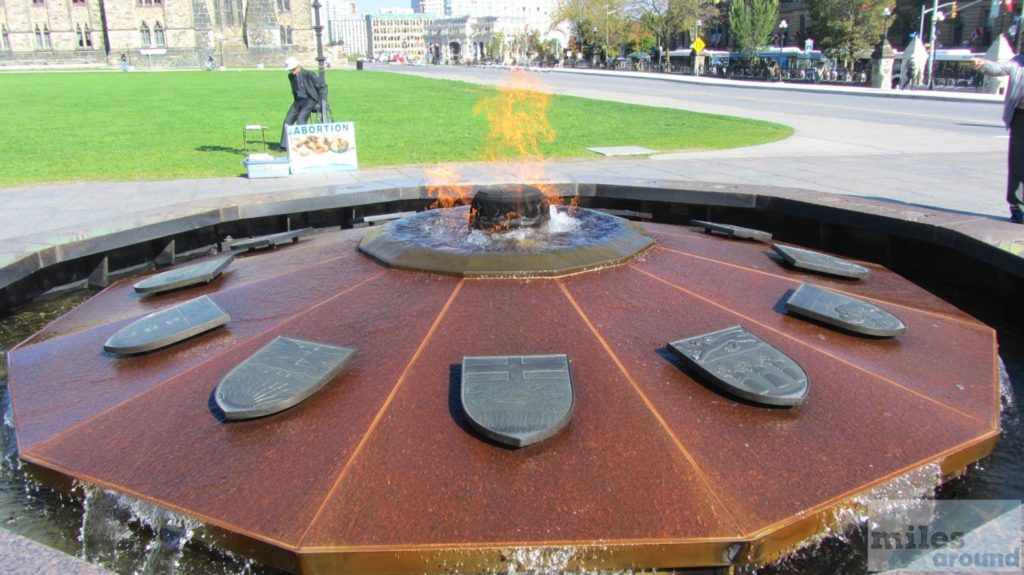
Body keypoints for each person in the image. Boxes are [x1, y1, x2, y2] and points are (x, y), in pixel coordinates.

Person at [974, 55, 1024, 223]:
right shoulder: (1018, 63)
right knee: (1017, 163)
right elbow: (999, 68)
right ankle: (1017, 207)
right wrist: (983, 65)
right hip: (1020, 118)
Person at [279, 57, 321, 152]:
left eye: (293, 69)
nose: (292, 71)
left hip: (310, 100)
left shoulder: (309, 74)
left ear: (298, 67)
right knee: (287, 120)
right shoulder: (291, 76)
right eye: (290, 70)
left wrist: (319, 102)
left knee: (301, 119)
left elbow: (321, 88)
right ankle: (283, 146)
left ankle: (304, 143)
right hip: (298, 101)